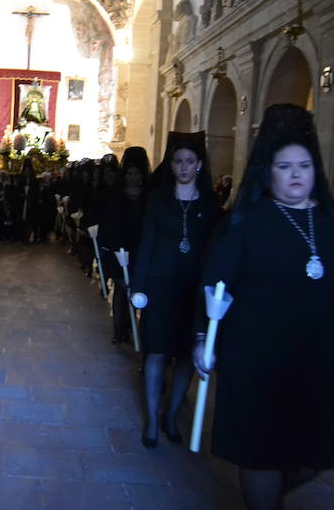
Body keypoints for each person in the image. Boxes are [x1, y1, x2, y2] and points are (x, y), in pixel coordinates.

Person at [193, 104, 334, 510]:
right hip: (252, 360)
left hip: (313, 361)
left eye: (303, 165)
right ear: (268, 171)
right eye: (284, 166)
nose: (294, 175)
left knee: (313, 455)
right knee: (259, 452)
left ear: (315, 169)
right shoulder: (244, 224)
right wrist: (203, 337)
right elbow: (213, 285)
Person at [131, 132, 221, 448]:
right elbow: (147, 243)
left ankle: (171, 414)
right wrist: (138, 286)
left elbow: (215, 252)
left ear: (199, 166)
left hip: (193, 291)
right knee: (156, 352)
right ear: (171, 165)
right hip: (160, 286)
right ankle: (153, 419)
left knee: (185, 356)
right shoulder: (158, 200)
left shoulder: (211, 205)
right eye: (178, 161)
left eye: (190, 162)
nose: (184, 167)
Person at [99, 147, 150, 344]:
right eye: (129, 173)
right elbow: (109, 222)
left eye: (136, 173)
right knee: (120, 288)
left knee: (135, 288)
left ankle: (129, 324)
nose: (133, 177)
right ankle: (118, 329)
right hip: (119, 248)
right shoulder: (117, 195)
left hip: (138, 248)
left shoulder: (147, 197)